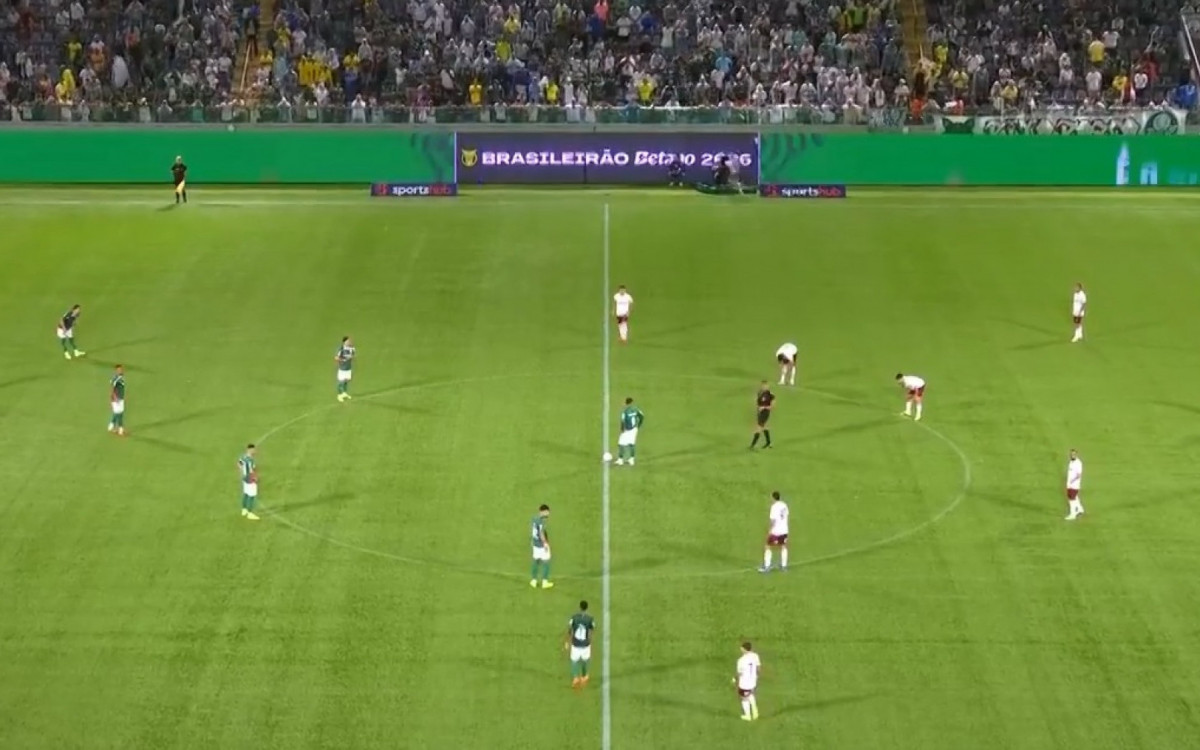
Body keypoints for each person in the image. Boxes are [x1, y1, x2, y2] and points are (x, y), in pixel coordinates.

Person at [564, 600, 596, 689]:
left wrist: (567, 641)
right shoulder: (590, 619)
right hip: (585, 644)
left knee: (574, 661)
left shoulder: (574, 618)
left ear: (580, 607)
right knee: (585, 660)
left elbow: (570, 630)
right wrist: (590, 641)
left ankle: (575, 678)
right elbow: (592, 630)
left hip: (575, 644)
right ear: (587, 608)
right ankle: (584, 676)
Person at [760, 491, 789, 572]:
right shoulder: (784, 505)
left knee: (768, 546)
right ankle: (784, 566)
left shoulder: (774, 507)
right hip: (784, 530)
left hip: (776, 531)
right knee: (783, 546)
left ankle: (767, 566)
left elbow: (773, 521)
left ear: (773, 498)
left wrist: (770, 530)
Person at [733, 641, 762, 721]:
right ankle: (755, 713)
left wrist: (735, 679)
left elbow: (739, 673)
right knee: (750, 695)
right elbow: (758, 668)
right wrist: (756, 676)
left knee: (744, 698)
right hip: (753, 681)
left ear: (744, 649)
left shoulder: (741, 660)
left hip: (745, 683)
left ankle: (748, 716)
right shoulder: (755, 656)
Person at [615, 396, 644, 466]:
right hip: (634, 429)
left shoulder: (625, 412)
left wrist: (622, 430)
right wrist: (639, 425)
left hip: (627, 430)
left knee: (621, 444)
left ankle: (620, 460)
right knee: (631, 444)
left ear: (626, 403)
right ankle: (631, 460)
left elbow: (623, 422)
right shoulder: (636, 409)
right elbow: (642, 416)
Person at [530, 504, 553, 589]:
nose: (548, 514)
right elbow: (541, 533)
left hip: (535, 544)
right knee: (546, 561)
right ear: (543, 511)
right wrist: (545, 544)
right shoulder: (541, 522)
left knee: (536, 561)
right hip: (541, 545)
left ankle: (533, 581)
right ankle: (545, 582)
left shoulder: (534, 519)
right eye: (547, 512)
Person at [750, 381, 774, 449]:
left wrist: (764, 407)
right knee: (765, 427)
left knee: (758, 428)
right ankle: (768, 443)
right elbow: (757, 404)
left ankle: (752, 445)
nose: (764, 387)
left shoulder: (770, 395)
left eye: (766, 386)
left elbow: (772, 406)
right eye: (763, 386)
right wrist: (758, 409)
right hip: (760, 413)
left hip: (765, 413)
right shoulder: (759, 394)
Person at [239, 444, 260, 521]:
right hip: (250, 479)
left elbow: (239, 464)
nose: (254, 451)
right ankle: (250, 513)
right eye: (253, 450)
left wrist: (243, 473)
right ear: (249, 450)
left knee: (246, 493)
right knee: (252, 495)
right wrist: (255, 478)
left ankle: (244, 509)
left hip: (244, 478)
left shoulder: (243, 457)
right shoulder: (250, 460)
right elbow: (252, 471)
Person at [1065, 449, 1085, 521]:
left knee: (1071, 498)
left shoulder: (1078, 463)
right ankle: (1080, 509)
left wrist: (1072, 481)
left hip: (1074, 485)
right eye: (1071, 454)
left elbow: (1078, 475)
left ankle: (1072, 514)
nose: (1072, 455)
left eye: (1074, 454)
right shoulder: (1071, 462)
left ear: (1076, 455)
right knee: (1074, 496)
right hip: (1070, 484)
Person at [335, 336, 355, 402]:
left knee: (346, 381)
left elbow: (353, 356)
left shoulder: (352, 348)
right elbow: (336, 358)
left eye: (349, 341)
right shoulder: (341, 349)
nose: (349, 342)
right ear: (344, 342)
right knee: (341, 382)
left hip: (348, 368)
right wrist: (342, 360)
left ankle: (344, 393)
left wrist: (351, 358)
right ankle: (339, 395)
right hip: (342, 369)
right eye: (347, 341)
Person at [108, 364, 126, 436]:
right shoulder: (116, 378)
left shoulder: (121, 377)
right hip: (117, 398)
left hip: (120, 398)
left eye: (121, 369)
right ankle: (120, 430)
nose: (121, 370)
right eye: (119, 370)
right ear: (116, 371)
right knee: (119, 414)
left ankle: (111, 426)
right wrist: (115, 397)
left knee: (117, 413)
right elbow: (112, 388)